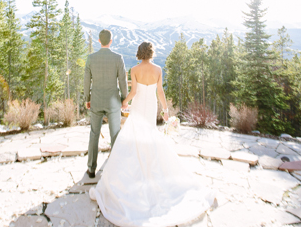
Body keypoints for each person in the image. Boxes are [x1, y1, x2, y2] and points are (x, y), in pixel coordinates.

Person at [89, 42, 215, 227]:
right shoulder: (158, 69)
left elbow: (133, 91)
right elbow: (160, 91)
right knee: (149, 135)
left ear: (140, 53)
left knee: (134, 137)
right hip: (150, 107)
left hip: (139, 105)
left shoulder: (134, 69)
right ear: (152, 53)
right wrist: (165, 110)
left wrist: (124, 102)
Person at [84, 29, 128, 179]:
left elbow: (86, 81)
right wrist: (124, 99)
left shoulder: (91, 58)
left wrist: (87, 98)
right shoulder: (118, 58)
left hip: (96, 100)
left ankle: (91, 169)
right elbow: (122, 80)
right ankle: (115, 168)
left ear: (98, 40)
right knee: (115, 134)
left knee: (94, 134)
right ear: (111, 41)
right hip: (113, 102)